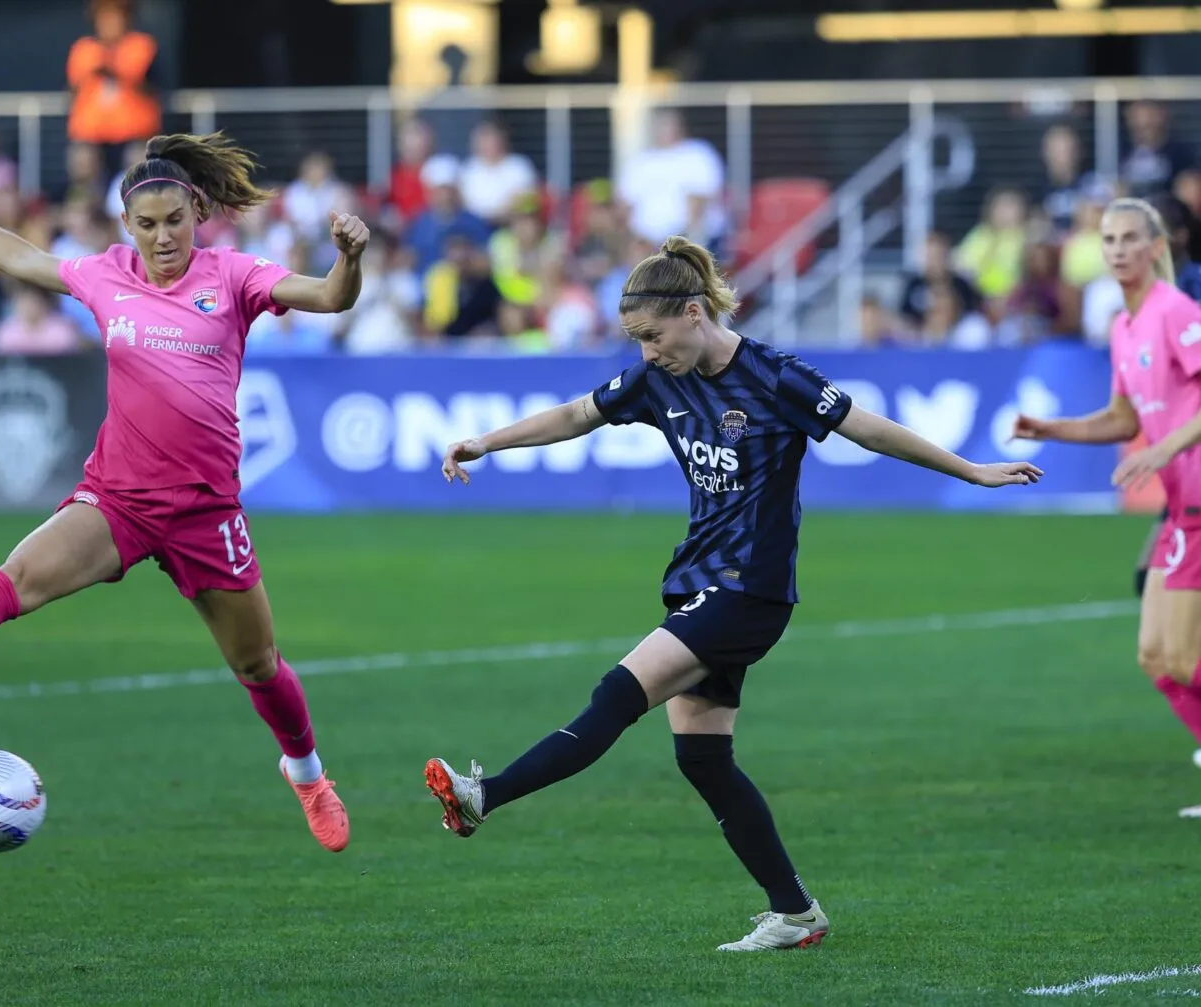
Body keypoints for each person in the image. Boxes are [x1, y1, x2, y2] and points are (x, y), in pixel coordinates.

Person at [423, 236, 1043, 951]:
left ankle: (482, 797)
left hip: (748, 591)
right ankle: (796, 912)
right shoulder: (659, 380)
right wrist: (485, 441)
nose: (647, 352)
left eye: (654, 336)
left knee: (614, 695)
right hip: (699, 582)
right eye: (637, 340)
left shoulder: (776, 377)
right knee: (703, 757)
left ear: (694, 311)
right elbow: (576, 415)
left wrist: (969, 470)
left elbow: (868, 427)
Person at [0, 132, 369, 853]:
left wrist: (350, 257)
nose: (161, 237)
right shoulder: (107, 274)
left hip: (205, 511)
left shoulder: (235, 275)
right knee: (13, 581)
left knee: (258, 664)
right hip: (117, 499)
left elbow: (331, 296)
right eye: (145, 226)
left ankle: (307, 774)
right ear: (127, 226)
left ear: (199, 210)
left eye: (174, 222)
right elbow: (22, 257)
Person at [1014, 198, 1201, 818]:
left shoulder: (1176, 312)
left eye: (1129, 238)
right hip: (1181, 508)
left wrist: (1164, 448)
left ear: (1154, 247)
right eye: (1110, 239)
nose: (1118, 248)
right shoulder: (1123, 326)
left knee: (1182, 657)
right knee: (1156, 658)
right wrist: (1054, 428)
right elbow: (1124, 418)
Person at [1130, 193, 1201, 599]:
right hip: (1185, 461)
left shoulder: (1191, 290)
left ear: (1177, 237)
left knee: (1164, 586)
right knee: (1153, 582)